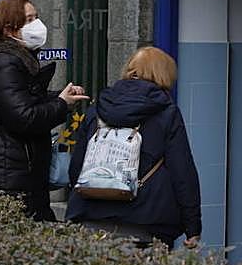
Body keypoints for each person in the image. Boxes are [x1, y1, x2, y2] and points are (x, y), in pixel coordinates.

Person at [0, 0, 89, 221]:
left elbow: (21, 98)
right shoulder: (4, 62)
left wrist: (59, 96)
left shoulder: (12, 59)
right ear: (9, 29)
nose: (37, 25)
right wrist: (61, 104)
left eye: (36, 17)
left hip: (13, 167)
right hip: (8, 171)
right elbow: (23, 117)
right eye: (29, 19)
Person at [66, 46, 201, 248]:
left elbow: (77, 165)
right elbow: (182, 172)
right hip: (147, 222)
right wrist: (193, 227)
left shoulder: (98, 108)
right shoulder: (167, 114)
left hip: (91, 218)